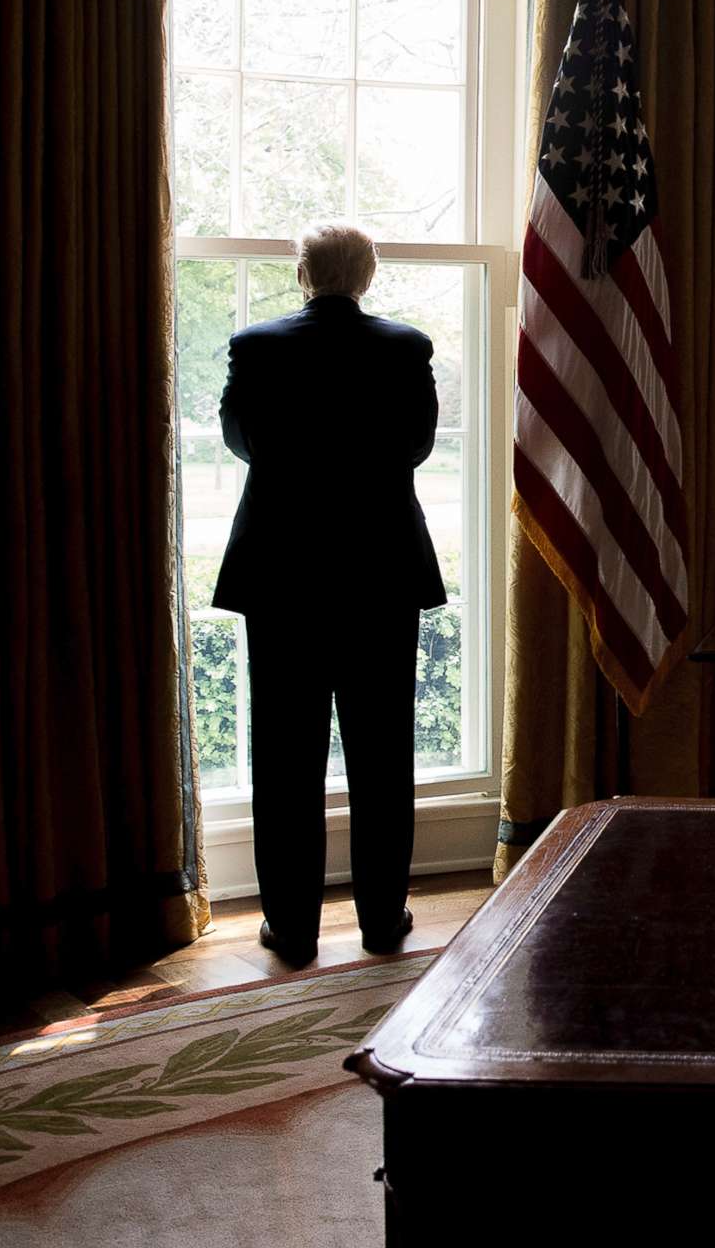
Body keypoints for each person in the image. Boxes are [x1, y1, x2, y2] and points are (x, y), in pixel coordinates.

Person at [214, 223, 444, 965]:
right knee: (383, 754)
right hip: (380, 570)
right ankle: (382, 920)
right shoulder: (406, 348)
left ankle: (293, 927)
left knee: (286, 756)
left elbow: (242, 443)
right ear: (367, 276)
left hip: (283, 573)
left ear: (304, 274)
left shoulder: (257, 347)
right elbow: (417, 447)